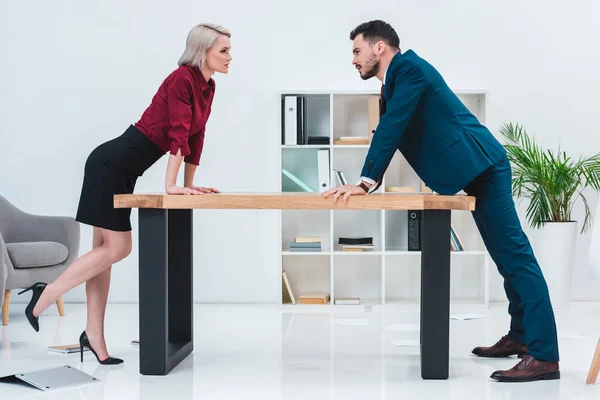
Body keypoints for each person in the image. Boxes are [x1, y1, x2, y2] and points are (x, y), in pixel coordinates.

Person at [322, 20, 560, 383]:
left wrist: (364, 182)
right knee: (505, 260)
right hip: (472, 170)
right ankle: (521, 336)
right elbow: (393, 128)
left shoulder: (410, 69)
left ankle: (544, 356)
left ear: (379, 47)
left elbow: (392, 126)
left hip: (485, 166)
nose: (354, 60)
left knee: (517, 258)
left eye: (357, 51)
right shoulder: (394, 83)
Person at [17, 23, 232, 365]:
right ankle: (47, 292)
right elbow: (177, 133)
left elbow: (195, 137)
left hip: (122, 169)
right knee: (118, 248)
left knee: (104, 253)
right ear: (202, 50)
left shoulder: (208, 87)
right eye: (223, 50)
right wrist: (171, 185)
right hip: (109, 164)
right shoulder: (181, 78)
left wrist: (190, 183)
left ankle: (93, 336)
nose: (229, 57)